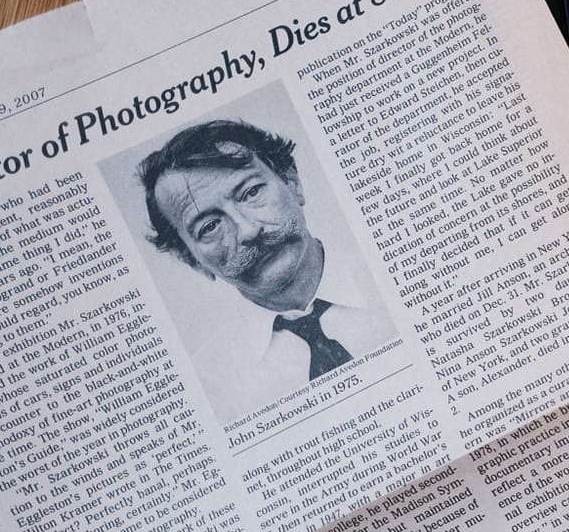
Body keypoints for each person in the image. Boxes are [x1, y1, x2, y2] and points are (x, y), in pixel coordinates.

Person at [140, 119, 397, 420]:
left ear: (291, 182)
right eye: (210, 227)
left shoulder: (401, 271)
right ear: (193, 260)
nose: (248, 230)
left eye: (251, 193)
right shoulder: (209, 388)